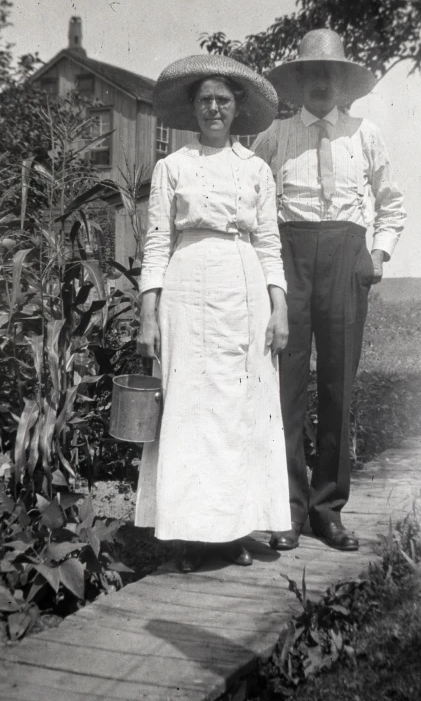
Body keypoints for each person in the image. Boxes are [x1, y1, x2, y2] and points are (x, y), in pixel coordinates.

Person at [135, 54, 291, 572]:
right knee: (190, 409)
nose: (214, 109)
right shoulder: (173, 167)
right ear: (193, 108)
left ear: (238, 107)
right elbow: (157, 243)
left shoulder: (257, 170)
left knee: (239, 410)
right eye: (205, 100)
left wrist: (279, 306)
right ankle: (191, 535)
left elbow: (269, 242)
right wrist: (148, 315)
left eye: (223, 100)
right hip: (187, 286)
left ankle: (233, 529)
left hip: (243, 288)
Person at [253, 29, 406, 552]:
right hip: (290, 256)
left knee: (339, 382)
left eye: (330, 74)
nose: (321, 83)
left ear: (342, 83)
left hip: (346, 257)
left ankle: (327, 510)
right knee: (285, 386)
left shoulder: (366, 134)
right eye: (311, 75)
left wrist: (377, 255)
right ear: (298, 83)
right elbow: (254, 203)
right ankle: (288, 509)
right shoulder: (274, 138)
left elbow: (392, 203)